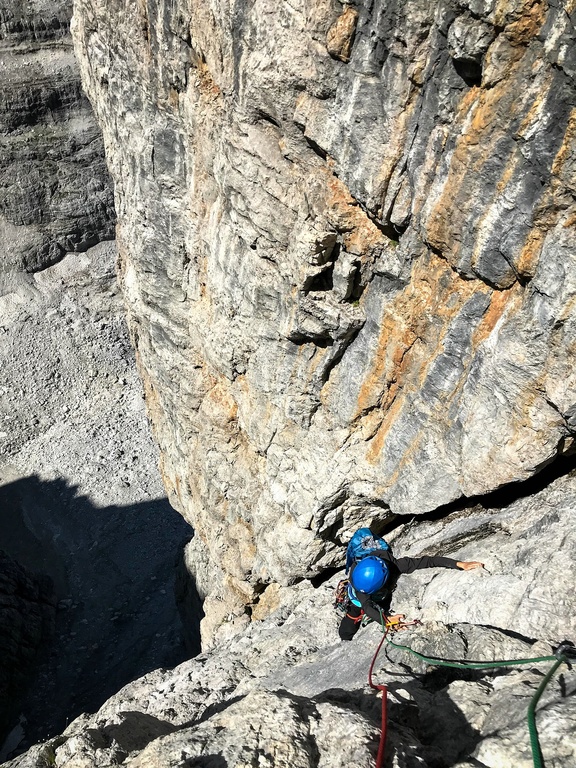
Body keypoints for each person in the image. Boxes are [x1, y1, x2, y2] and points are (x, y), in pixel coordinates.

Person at [339, 545, 484, 641]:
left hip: (382, 595)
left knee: (382, 608)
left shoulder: (398, 565)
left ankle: (390, 621)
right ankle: (345, 638)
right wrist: (386, 621)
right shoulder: (357, 573)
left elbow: (428, 561)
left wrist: (459, 564)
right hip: (357, 599)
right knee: (353, 616)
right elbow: (366, 605)